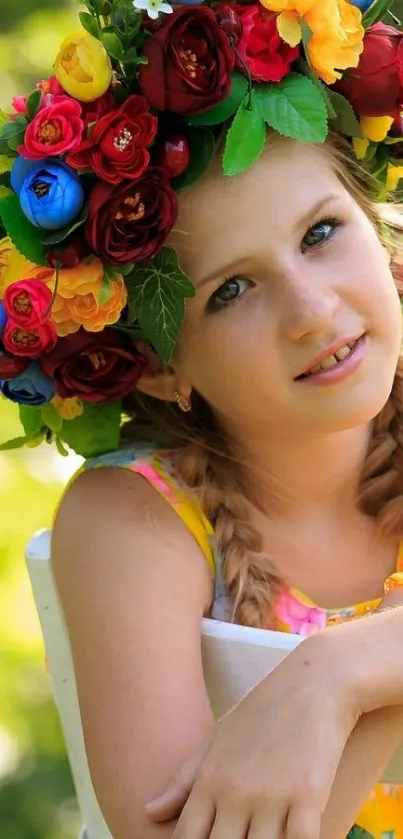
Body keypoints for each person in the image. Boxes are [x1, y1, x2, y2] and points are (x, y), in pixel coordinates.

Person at [1, 1, 403, 837]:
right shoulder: (138, 521)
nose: (310, 309)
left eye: (321, 232)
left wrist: (346, 672)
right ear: (160, 366)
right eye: (230, 289)